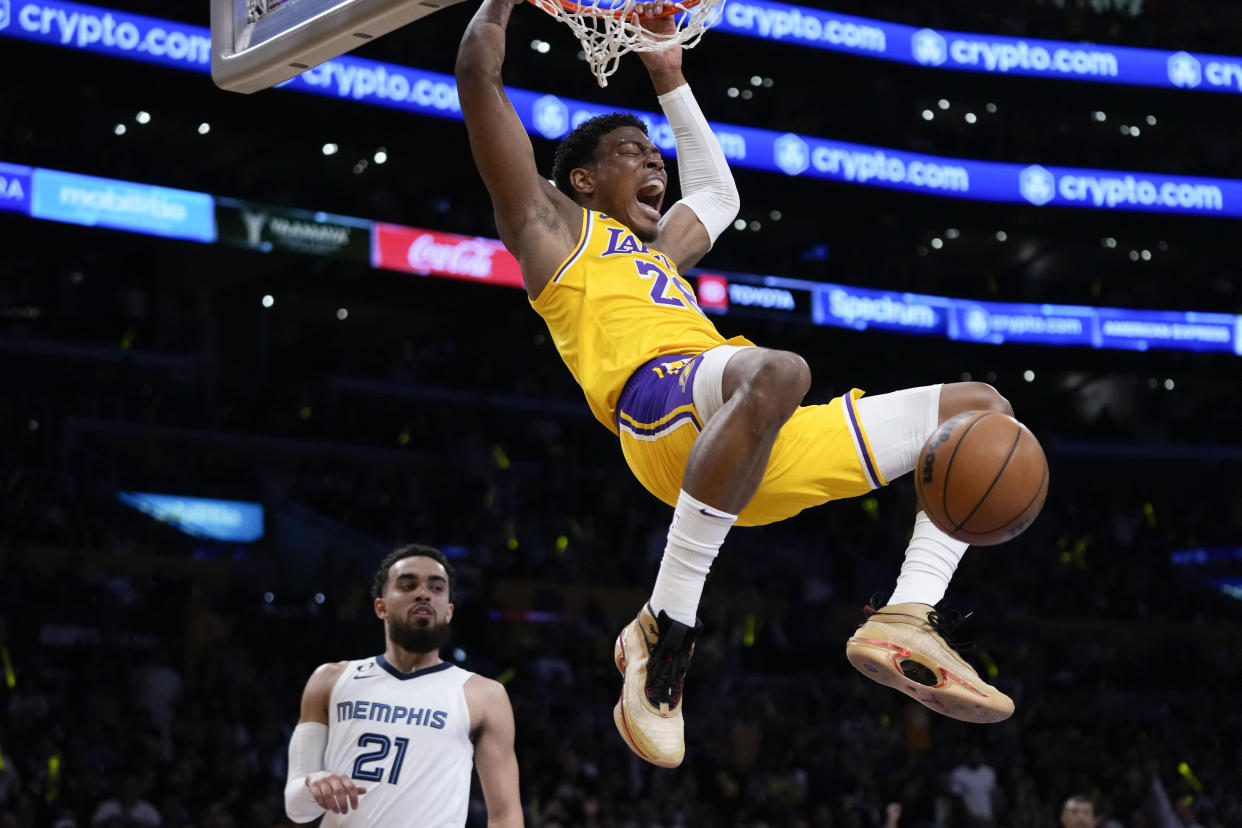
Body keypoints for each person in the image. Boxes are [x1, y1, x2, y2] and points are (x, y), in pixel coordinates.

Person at [456, 0, 1020, 768]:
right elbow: (477, 73)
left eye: (656, 152)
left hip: (742, 438)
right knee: (780, 369)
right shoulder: (551, 229)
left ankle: (906, 614)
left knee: (983, 415)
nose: (656, 163)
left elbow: (720, 197)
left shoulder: (659, 255)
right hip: (659, 417)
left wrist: (667, 74)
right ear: (582, 180)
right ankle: (666, 627)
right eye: (633, 152)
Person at [283, 544, 523, 826]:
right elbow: (297, 808)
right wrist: (314, 784)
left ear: (448, 610)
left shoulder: (484, 696)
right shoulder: (330, 679)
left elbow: (505, 815)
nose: (423, 593)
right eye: (408, 585)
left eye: (436, 588)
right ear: (381, 606)